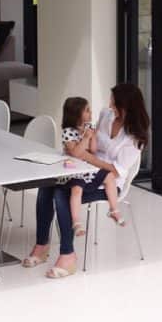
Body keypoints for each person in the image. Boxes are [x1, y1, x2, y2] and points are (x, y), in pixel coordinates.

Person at [23, 84, 150, 279]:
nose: (110, 106)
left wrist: (87, 158)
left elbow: (116, 171)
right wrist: (80, 151)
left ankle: (68, 255)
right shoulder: (106, 115)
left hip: (108, 181)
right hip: (83, 169)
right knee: (47, 185)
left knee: (61, 194)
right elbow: (91, 142)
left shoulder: (135, 139)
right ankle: (42, 246)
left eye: (114, 103)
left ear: (127, 108)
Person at [57, 96, 120, 237]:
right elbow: (75, 154)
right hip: (75, 171)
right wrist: (85, 138)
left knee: (109, 176)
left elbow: (93, 151)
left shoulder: (88, 128)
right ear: (76, 114)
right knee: (76, 189)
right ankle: (77, 222)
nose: (91, 113)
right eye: (87, 110)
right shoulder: (68, 132)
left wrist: (93, 137)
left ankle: (114, 209)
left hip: (88, 169)